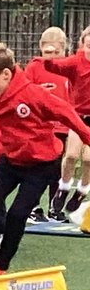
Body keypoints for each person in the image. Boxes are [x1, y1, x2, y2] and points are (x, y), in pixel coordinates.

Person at [0, 43, 90, 290]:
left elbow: (67, 114)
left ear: (6, 74)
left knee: (17, 214)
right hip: (11, 160)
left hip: (41, 164)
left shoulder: (33, 95)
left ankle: (0, 265)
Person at [37, 24, 90, 219]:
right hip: (77, 117)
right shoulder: (76, 63)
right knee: (70, 156)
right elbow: (56, 66)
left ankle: (82, 190)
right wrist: (48, 58)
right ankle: (63, 187)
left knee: (88, 159)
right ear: (82, 45)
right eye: (89, 45)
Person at [21, 27, 72, 220]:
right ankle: (33, 207)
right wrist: (38, 91)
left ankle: (54, 207)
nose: (51, 57)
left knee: (57, 167)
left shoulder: (69, 68)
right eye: (47, 52)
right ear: (41, 50)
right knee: (38, 166)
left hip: (61, 125)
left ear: (64, 50)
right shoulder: (34, 68)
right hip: (38, 125)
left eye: (56, 52)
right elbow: (23, 92)